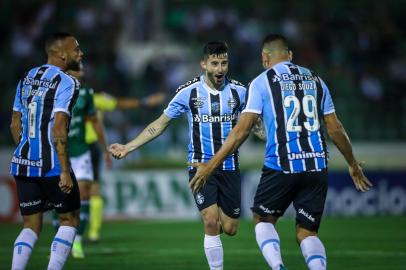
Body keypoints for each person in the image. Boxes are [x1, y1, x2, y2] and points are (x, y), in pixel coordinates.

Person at [189, 34, 373, 270]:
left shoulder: (261, 82)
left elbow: (240, 131)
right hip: (317, 165)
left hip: (282, 164)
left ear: (265, 58)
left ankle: (278, 267)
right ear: (290, 56)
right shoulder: (316, 80)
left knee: (263, 220)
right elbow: (335, 128)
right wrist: (353, 163)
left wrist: (210, 166)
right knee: (307, 233)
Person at [110, 41, 258, 270]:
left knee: (229, 228)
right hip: (199, 166)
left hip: (229, 166)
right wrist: (129, 147)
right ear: (203, 64)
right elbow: (160, 124)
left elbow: (256, 127)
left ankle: (217, 233)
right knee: (210, 221)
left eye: (224, 63)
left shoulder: (240, 92)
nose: (220, 69)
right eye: (215, 63)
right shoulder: (188, 92)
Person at [9, 32, 83, 270]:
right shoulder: (68, 82)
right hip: (51, 164)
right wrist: (64, 170)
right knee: (69, 219)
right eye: (76, 50)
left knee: (30, 225)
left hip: (23, 162)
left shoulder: (27, 76)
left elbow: (14, 124)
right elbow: (59, 126)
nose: (81, 54)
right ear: (61, 53)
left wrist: (26, 150)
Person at [85, 90, 165, 243]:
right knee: (92, 190)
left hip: (74, 147)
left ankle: (79, 234)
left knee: (81, 191)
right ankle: (92, 233)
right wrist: (145, 102)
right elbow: (119, 104)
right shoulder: (96, 98)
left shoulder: (64, 95)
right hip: (90, 145)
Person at [63, 64, 110, 258]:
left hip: (82, 151)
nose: (81, 72)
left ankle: (78, 240)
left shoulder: (86, 94)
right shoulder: (56, 93)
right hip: (61, 152)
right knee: (63, 199)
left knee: (85, 194)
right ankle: (61, 241)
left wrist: (104, 149)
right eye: (77, 69)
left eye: (82, 69)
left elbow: (95, 122)